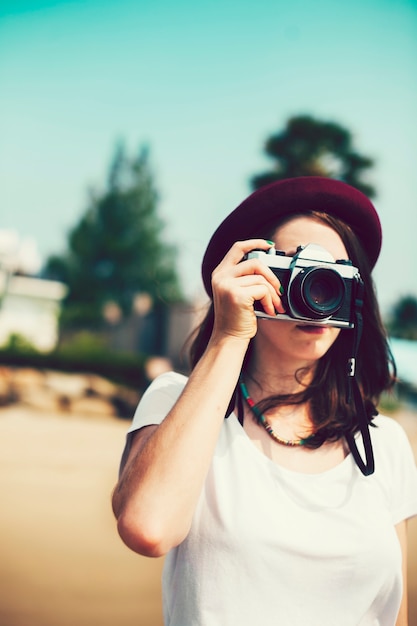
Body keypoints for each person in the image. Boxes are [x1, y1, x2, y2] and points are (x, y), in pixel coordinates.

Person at [112, 177, 417, 626]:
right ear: (247, 277)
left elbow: (399, 614)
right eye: (295, 271)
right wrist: (230, 335)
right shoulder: (178, 403)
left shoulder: (384, 443)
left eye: (335, 273)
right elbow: (148, 528)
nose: (320, 290)